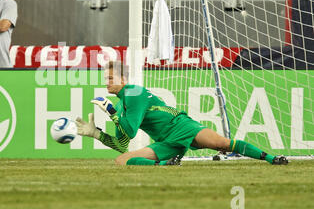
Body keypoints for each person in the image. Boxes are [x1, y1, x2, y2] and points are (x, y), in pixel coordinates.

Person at [75, 61, 289, 166]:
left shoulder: (133, 93)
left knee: (222, 143)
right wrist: (97, 134)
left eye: (110, 78)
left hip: (180, 125)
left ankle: (272, 158)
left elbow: (129, 132)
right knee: (121, 160)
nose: (106, 83)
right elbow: (122, 144)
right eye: (105, 79)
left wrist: (112, 113)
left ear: (123, 79)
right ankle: (166, 164)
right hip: (165, 141)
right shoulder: (121, 106)